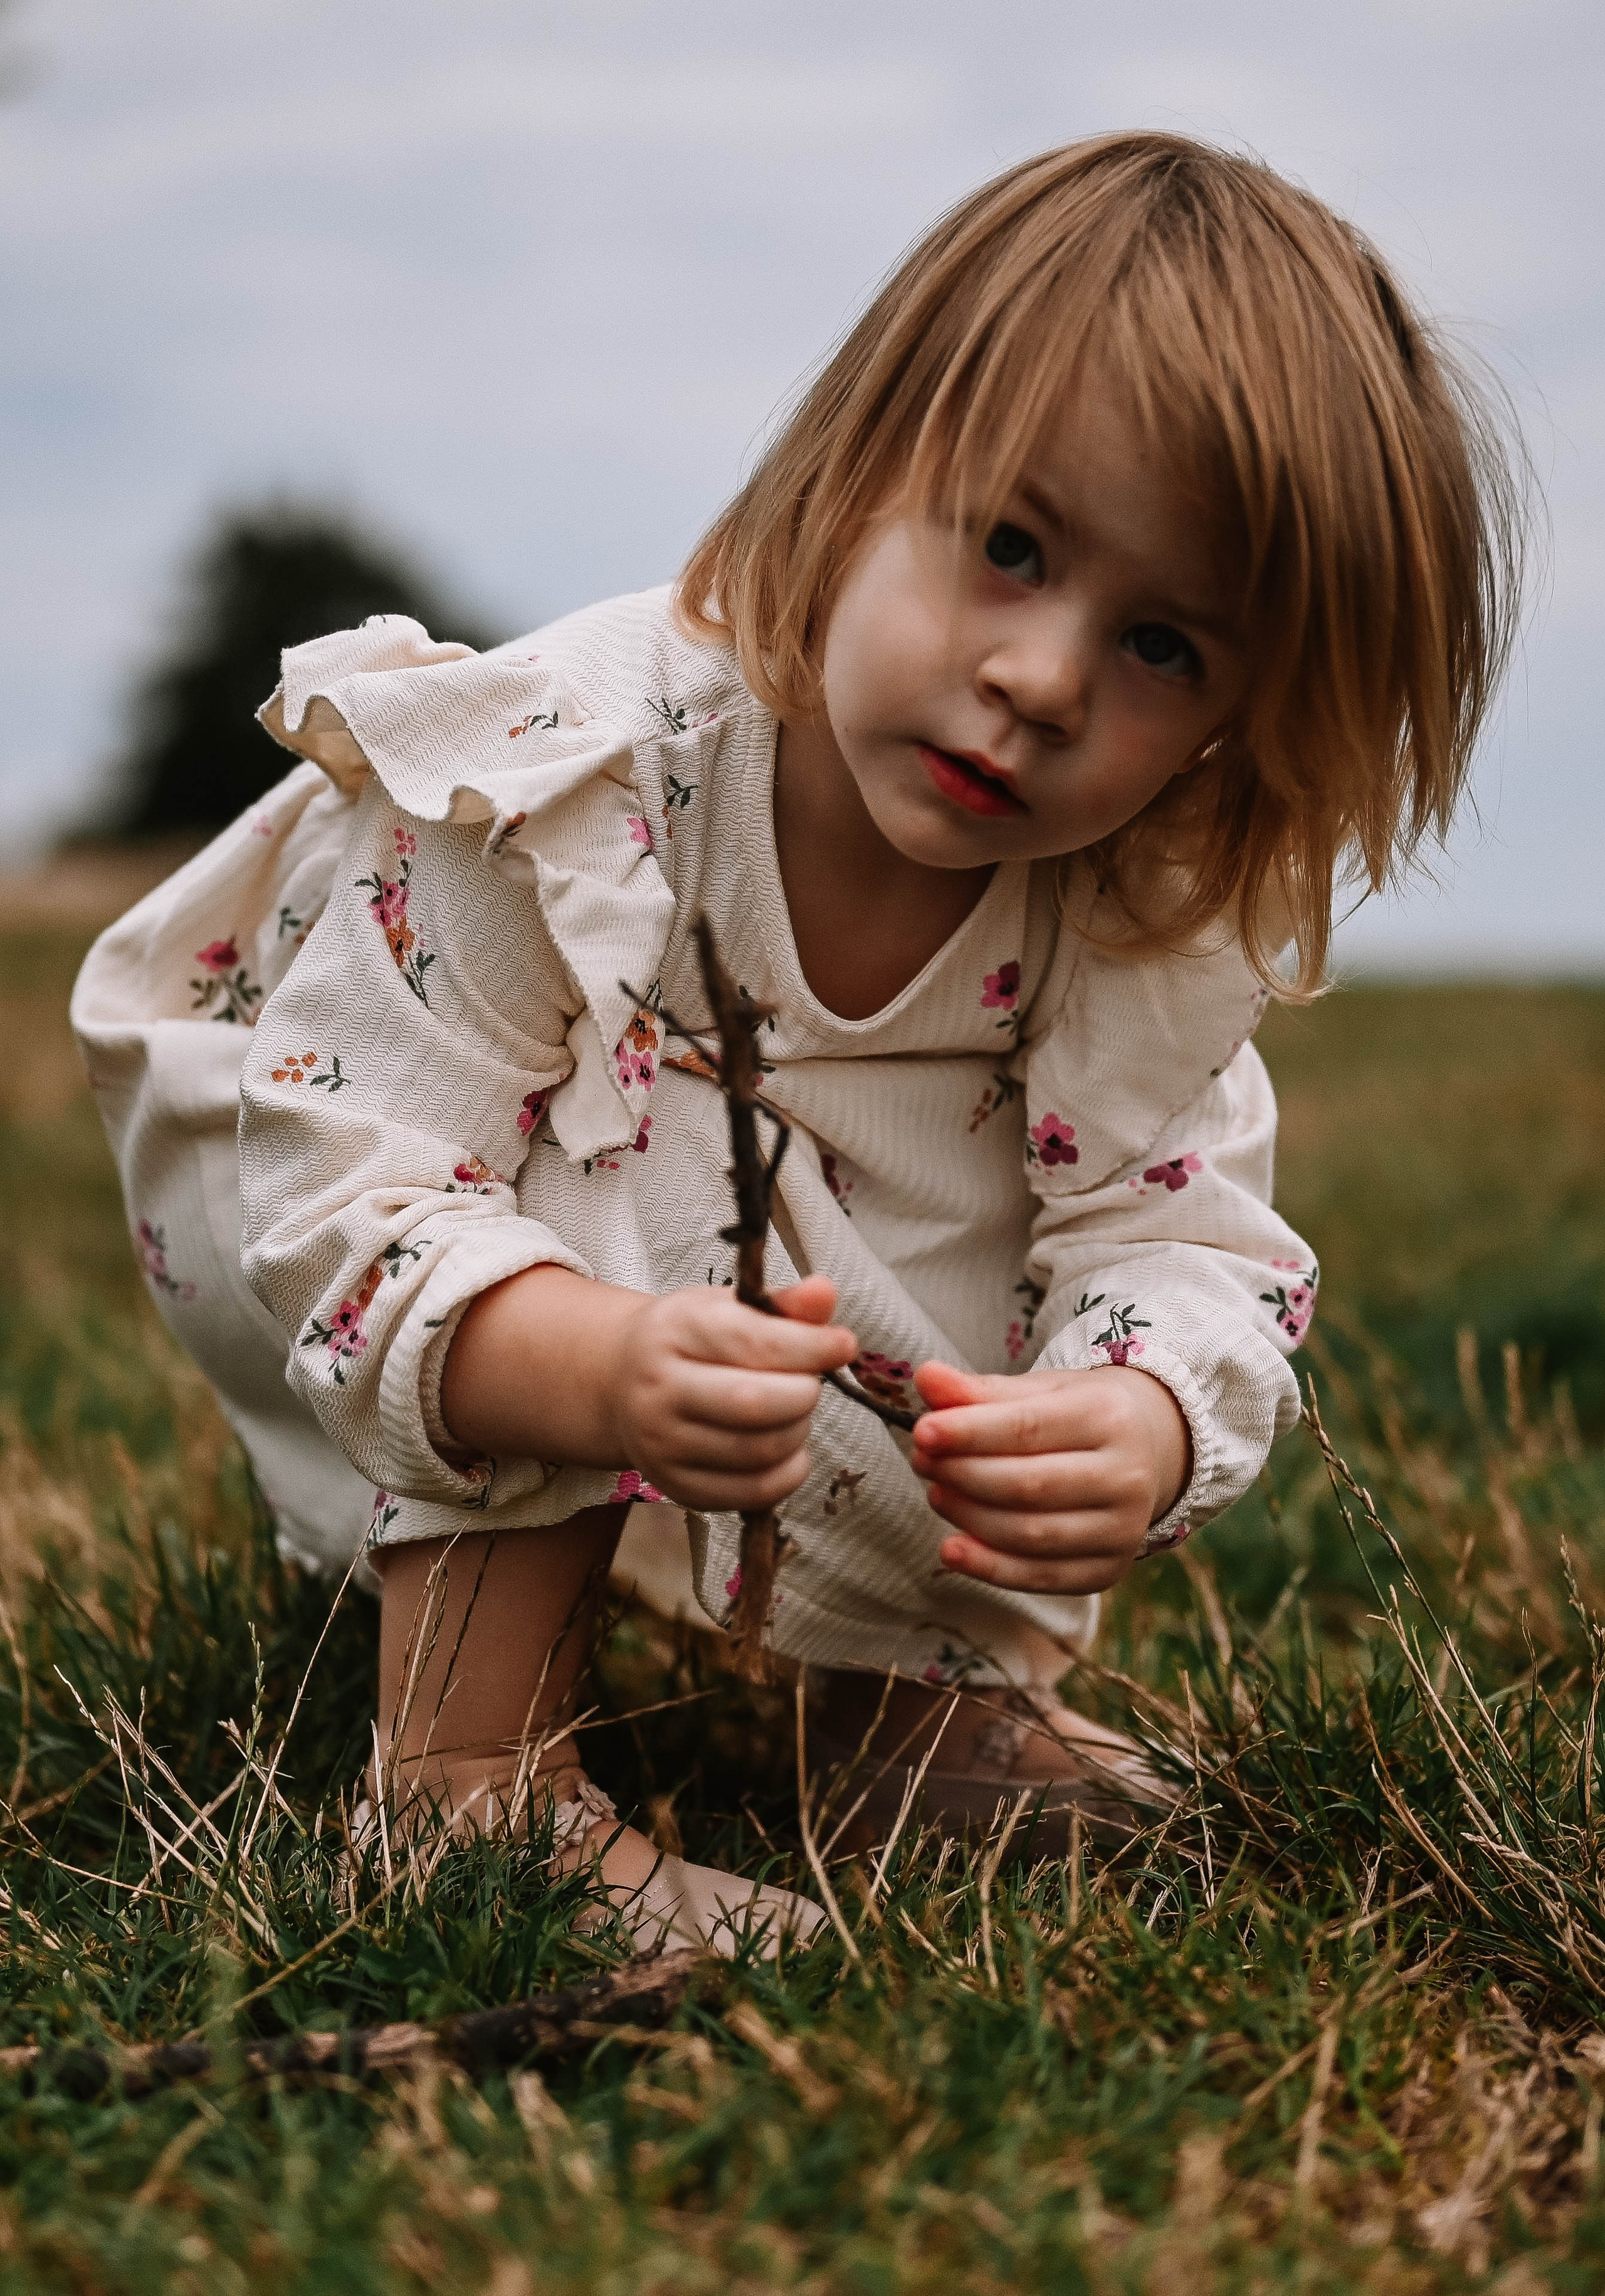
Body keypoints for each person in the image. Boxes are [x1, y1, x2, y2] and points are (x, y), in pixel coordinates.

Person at [72, 132, 1524, 1954]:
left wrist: (1133, 1415)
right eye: (1010, 547)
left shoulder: (1119, 907)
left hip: (759, 1276)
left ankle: (912, 1711)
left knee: (1031, 1195)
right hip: (356, 1181)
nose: (1048, 677)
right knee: (616, 1125)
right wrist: (591, 1360)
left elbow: (1181, 1235)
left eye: (1162, 646)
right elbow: (355, 1170)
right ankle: (464, 1786)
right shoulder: (582, 791)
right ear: (854, 474)